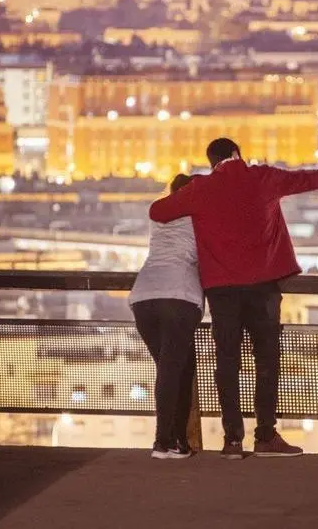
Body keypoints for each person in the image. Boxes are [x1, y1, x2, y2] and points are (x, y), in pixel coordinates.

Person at [149, 138, 318, 459]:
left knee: (227, 362)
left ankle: (232, 440)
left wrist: (189, 195)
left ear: (212, 162)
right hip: (264, 286)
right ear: (237, 154)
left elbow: (158, 211)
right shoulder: (262, 178)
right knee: (266, 360)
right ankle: (266, 436)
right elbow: (306, 179)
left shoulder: (202, 189)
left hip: (221, 291)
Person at [129, 173, 203, 460]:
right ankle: (163, 441)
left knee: (175, 369)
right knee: (173, 370)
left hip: (144, 296)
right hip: (179, 296)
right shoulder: (201, 216)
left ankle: (177, 441)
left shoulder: (159, 216)